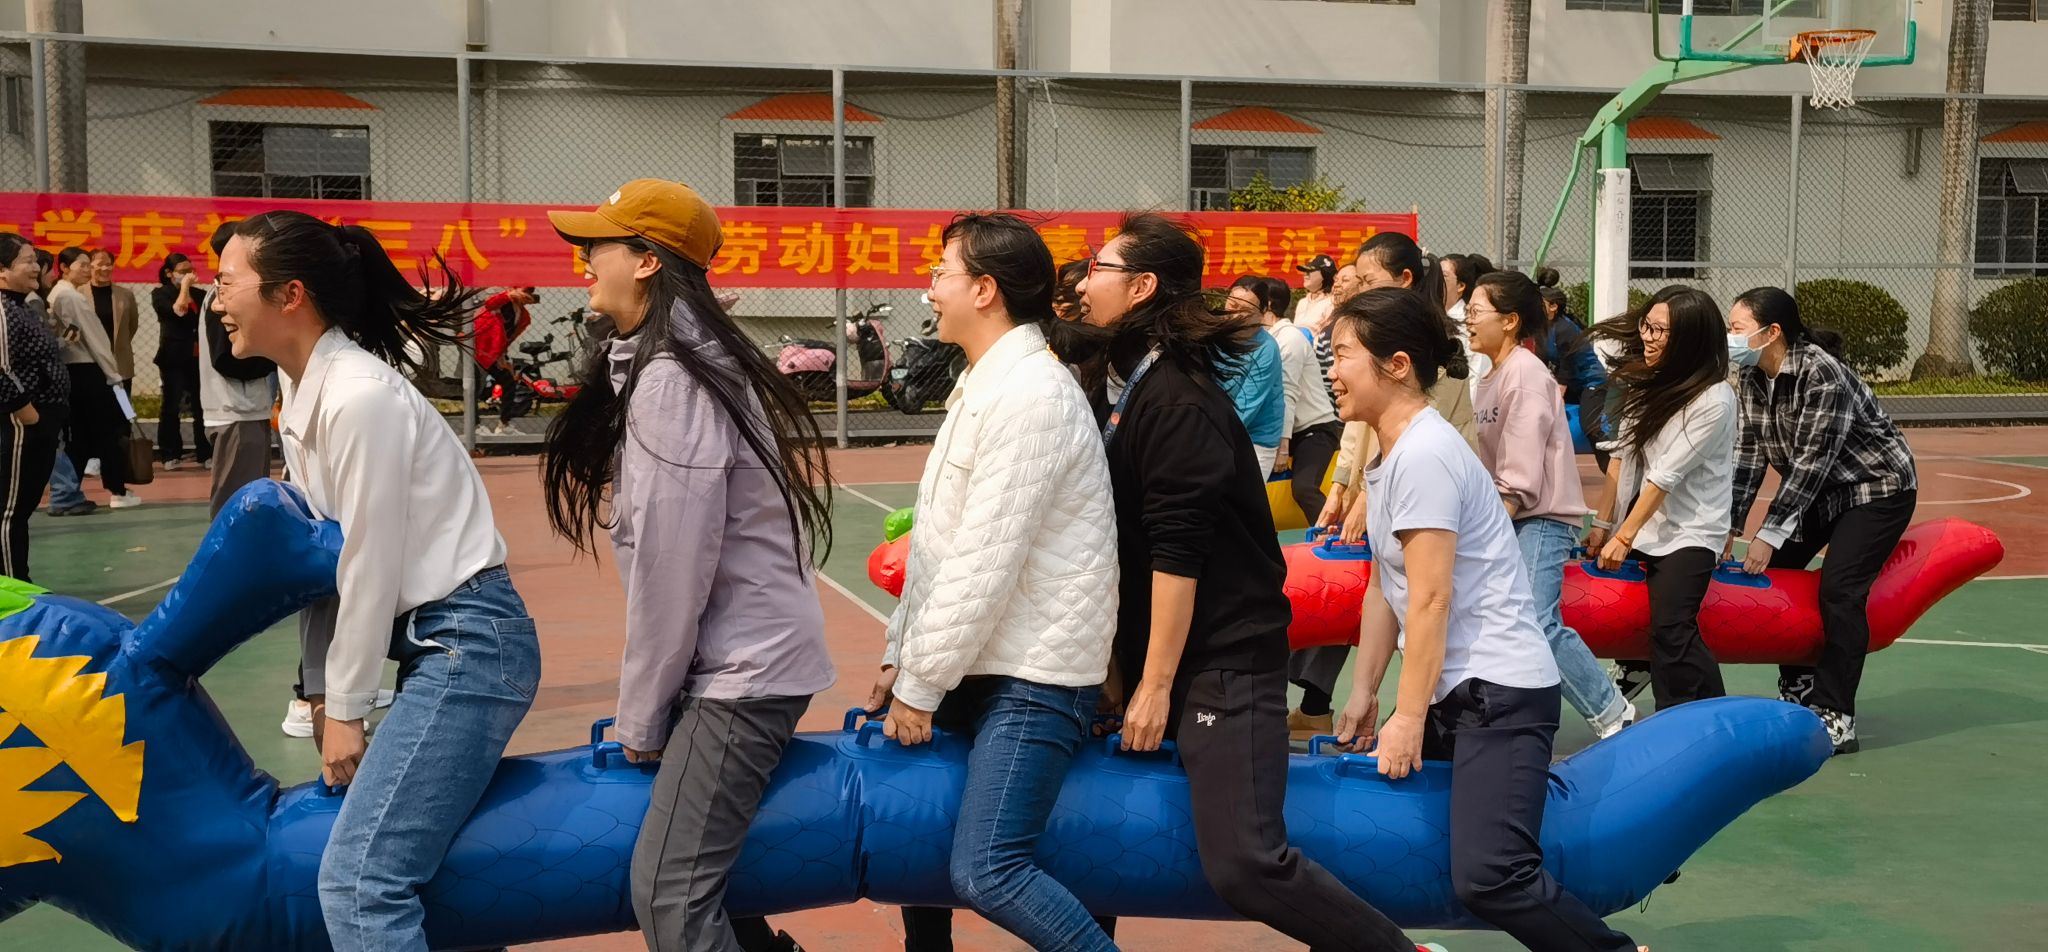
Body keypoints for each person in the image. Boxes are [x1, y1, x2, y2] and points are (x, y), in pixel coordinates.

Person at [1073, 213, 1419, 952]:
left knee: (1245, 864)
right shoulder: (1124, 384)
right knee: (1087, 850)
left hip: (1222, 663)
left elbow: (1179, 554)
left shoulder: (1175, 400)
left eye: (1098, 268)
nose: (1084, 282)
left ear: (1141, 287)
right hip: (1159, 652)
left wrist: (1154, 686)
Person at [212, 210, 539, 949]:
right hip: (432, 644)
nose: (216, 301)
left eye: (227, 283)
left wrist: (346, 709)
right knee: (421, 870)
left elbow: (369, 559)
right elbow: (321, 556)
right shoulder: (303, 388)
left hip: (469, 644)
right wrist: (322, 689)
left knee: (360, 881)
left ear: (289, 295)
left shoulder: (359, 395)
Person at [542, 180, 834, 952]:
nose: (583, 262)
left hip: (744, 669)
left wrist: (641, 715)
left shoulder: (673, 378)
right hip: (739, 656)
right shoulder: (670, 362)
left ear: (646, 261)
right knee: (712, 881)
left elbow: (673, 568)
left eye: (597, 246)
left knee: (669, 892)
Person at [1327, 286, 1643, 952]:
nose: (1332, 371)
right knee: (1381, 845)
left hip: (1499, 693)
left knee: (1492, 874)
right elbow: (1385, 586)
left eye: (1344, 354)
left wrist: (1407, 717)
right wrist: (1363, 692)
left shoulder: (1425, 454)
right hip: (1457, 690)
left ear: (1397, 364)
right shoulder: (1391, 455)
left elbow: (1431, 599)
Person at [863, 213, 1119, 952]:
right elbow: (937, 545)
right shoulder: (984, 381)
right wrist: (902, 653)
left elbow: (984, 560)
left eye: (940, 273)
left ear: (984, 289)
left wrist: (921, 684)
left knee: (988, 870)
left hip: (1033, 678)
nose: (928, 288)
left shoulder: (1032, 395)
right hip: (982, 662)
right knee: (916, 852)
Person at [1727, 286, 1917, 755]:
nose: (1728, 337)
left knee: (1840, 590)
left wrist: (1769, 533)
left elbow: (1812, 462)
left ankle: (1837, 714)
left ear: (1771, 332)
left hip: (1875, 488)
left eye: (1736, 328)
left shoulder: (1822, 374)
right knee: (1775, 578)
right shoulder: (1751, 376)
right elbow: (1748, 456)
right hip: (1820, 491)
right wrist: (1728, 528)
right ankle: (1800, 685)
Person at [1466, 270, 1635, 739]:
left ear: (1510, 320)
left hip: (1538, 517)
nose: (1469, 320)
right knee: (1502, 620)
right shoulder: (1491, 376)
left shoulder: (1524, 372)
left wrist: (1490, 526)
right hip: (1512, 515)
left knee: (1537, 620)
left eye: (1477, 311)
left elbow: (1519, 470)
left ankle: (1612, 712)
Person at [1585, 288, 1734, 711]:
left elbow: (1664, 476)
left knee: (1672, 628)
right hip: (1646, 523)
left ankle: (1696, 715)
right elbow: (1623, 457)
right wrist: (1603, 525)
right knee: (1638, 623)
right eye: (1646, 326)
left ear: (1690, 339)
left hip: (1691, 532)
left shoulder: (1714, 399)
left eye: (1660, 331)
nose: (1647, 338)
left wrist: (1623, 538)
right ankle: (1654, 683)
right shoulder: (1648, 381)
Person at [193, 229, 278, 518]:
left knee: (250, 500)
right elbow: (227, 359)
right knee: (236, 504)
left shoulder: (227, 293)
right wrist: (274, 358)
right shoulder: (223, 296)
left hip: (246, 410)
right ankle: (224, 549)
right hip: (237, 412)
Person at [48, 247, 140, 509]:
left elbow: (130, 327)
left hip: (85, 372)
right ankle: (117, 489)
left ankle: (67, 492)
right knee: (109, 432)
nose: (89, 270)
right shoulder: (72, 297)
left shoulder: (61, 294)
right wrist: (113, 375)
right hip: (93, 372)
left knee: (82, 435)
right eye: (84, 265)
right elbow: (96, 339)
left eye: (91, 264)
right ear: (64, 267)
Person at [0, 233, 69, 581]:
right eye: (26, 261)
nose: (36, 267)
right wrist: (28, 413)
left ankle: (18, 581)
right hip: (17, 424)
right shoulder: (1, 309)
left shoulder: (21, 306)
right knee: (8, 512)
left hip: (36, 424)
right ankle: (11, 590)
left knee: (21, 509)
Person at [1533, 268, 1612, 469]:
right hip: (1572, 382)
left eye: (1540, 305)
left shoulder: (1565, 328)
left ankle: (1612, 467)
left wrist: (1557, 395)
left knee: (1590, 426)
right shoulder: (1542, 329)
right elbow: (1541, 361)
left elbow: (1567, 366)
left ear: (1553, 307)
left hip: (1591, 381)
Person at [32, 250, 89, 518]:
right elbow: (41, 347)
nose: (50, 275)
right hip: (42, 389)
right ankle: (65, 495)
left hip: (45, 388)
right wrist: (65, 340)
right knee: (49, 443)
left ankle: (64, 494)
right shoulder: (36, 301)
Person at [150, 252, 213, 469]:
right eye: (182, 271)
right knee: (171, 405)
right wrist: (184, 287)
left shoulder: (201, 294)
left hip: (197, 357)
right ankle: (170, 453)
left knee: (200, 405)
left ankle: (205, 452)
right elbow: (178, 311)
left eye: (190, 271)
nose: (187, 275)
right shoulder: (161, 294)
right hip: (173, 357)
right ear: (169, 273)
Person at [1215, 289, 1286, 476]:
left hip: (1256, 440)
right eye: (1232, 305)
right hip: (1219, 430)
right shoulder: (1215, 337)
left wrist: (1205, 434)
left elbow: (1245, 407)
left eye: (1245, 310)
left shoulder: (1267, 348)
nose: (1235, 314)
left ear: (1262, 313)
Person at [473, 286, 537, 433]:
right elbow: (489, 303)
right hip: (478, 348)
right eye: (526, 291)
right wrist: (510, 295)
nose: (528, 295)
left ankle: (504, 424)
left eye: (530, 291)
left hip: (494, 353)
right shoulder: (502, 302)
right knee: (474, 386)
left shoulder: (522, 315)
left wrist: (502, 356)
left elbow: (508, 336)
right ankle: (474, 426)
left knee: (508, 382)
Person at [86, 250, 139, 394]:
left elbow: (132, 325)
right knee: (94, 403)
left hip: (119, 362)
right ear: (89, 266)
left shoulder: (125, 295)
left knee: (123, 403)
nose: (105, 268)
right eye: (100, 264)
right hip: (91, 362)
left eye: (109, 264)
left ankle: (124, 412)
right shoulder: (78, 293)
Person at [1291, 252, 1338, 331]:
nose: (1305, 274)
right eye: (1305, 271)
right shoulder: (1302, 302)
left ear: (1325, 274)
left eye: (1310, 271)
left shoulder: (1332, 303)